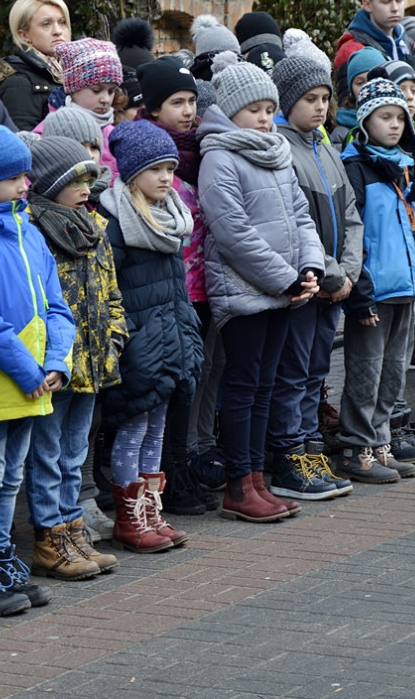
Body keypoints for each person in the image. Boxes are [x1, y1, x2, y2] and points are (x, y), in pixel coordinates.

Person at [197, 51, 324, 521]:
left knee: (265, 386)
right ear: (230, 111)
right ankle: (238, 484)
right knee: (243, 386)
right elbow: (232, 232)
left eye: (270, 110)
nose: (266, 119)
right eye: (256, 110)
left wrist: (310, 268)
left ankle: (256, 480)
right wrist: (285, 279)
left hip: (283, 291)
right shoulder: (220, 158)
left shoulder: (277, 155)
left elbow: (301, 215)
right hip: (245, 293)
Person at [0, 122, 75, 616]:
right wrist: (29, 371)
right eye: (13, 178)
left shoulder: (29, 230)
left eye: (25, 176)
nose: (25, 185)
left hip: (36, 380)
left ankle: (3, 556)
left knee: (11, 477)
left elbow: (57, 307)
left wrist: (56, 364)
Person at [98, 120, 202, 549]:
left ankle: (150, 509)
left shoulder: (170, 217)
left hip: (169, 342)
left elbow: (177, 290)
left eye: (170, 169)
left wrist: (186, 337)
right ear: (131, 171)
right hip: (139, 347)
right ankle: (129, 517)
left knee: (156, 429)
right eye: (156, 169)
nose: (166, 177)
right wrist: (130, 341)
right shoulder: (116, 221)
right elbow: (112, 289)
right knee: (132, 429)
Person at [23, 136, 122, 576]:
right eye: (76, 180)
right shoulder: (36, 231)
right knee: (46, 453)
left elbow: (113, 295)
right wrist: (49, 359)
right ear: (48, 185)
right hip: (55, 367)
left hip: (94, 363)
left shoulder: (96, 229)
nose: (87, 188)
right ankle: (50, 536)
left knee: (74, 452)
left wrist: (114, 339)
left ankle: (73, 528)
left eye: (91, 179)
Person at [268, 54, 364, 498]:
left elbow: (349, 215)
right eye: (310, 99)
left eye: (326, 97)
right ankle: (290, 455)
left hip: (335, 285)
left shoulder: (325, 148)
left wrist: (348, 270)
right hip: (308, 285)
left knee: (317, 371)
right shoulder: (282, 149)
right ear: (287, 102)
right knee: (294, 371)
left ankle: (310, 448)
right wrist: (327, 273)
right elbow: (295, 219)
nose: (321, 107)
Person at [335, 79, 415, 482]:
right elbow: (352, 234)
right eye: (385, 117)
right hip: (375, 290)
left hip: (407, 287)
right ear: (365, 120)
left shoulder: (406, 165)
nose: (395, 125)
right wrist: (359, 291)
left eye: (400, 117)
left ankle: (381, 443)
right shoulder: (356, 168)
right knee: (365, 371)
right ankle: (355, 448)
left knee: (393, 373)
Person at [138, 56, 222, 514]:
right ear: (153, 108)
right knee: (168, 390)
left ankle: (182, 466)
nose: (188, 110)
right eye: (177, 102)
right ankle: (164, 480)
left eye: (192, 100)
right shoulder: (145, 155)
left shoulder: (199, 149)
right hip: (170, 290)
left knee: (194, 381)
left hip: (201, 284)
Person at [37, 38, 123, 181]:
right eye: (96, 90)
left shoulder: (114, 136)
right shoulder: (46, 134)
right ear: (73, 89)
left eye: (111, 91)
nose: (106, 99)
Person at [0, 0, 71, 130]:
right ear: (24, 35)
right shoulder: (19, 83)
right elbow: (23, 143)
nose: (58, 31)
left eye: (62, 22)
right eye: (46, 24)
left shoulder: (71, 75)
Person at [334, 0, 411, 77]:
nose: (395, 8)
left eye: (399, 0)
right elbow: (347, 93)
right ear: (367, 5)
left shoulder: (408, 43)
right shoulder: (351, 50)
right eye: (386, 1)